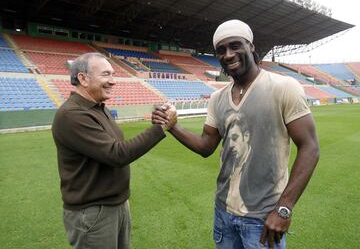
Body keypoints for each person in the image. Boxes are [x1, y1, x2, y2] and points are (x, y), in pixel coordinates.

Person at [152, 19, 319, 249]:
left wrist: (284, 208)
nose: (228, 55)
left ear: (250, 46)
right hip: (223, 213)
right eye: (221, 50)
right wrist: (172, 126)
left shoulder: (283, 87)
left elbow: (310, 147)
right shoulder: (217, 99)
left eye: (235, 46)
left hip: (262, 218)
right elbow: (205, 146)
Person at [52, 52, 176, 249]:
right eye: (106, 75)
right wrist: (161, 127)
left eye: (113, 74)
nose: (113, 81)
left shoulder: (99, 108)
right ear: (83, 79)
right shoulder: (71, 114)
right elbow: (117, 154)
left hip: (115, 205)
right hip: (93, 212)